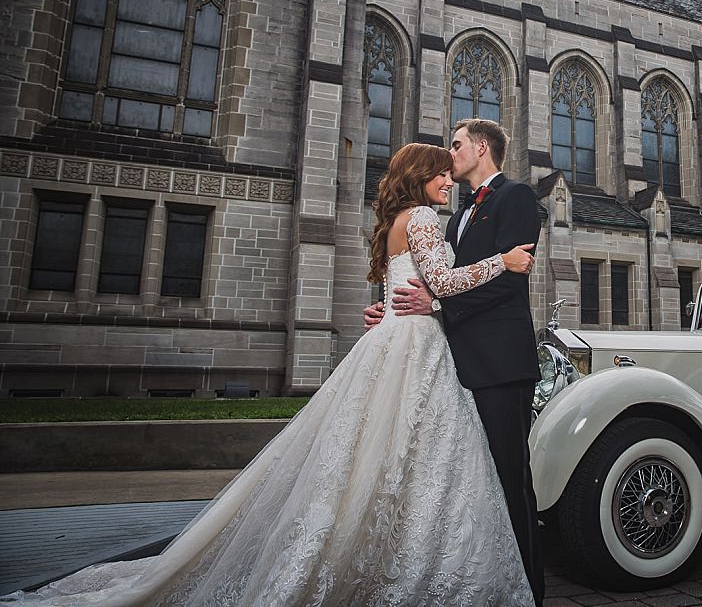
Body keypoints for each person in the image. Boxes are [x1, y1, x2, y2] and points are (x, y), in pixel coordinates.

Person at [5, 143, 536, 606]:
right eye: (440, 172)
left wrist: (393, 310)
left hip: (399, 340)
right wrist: (503, 261)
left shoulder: (400, 221)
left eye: (452, 166)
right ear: (420, 176)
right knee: (409, 454)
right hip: (415, 348)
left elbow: (412, 290)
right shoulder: (422, 218)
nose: (448, 179)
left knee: (379, 453)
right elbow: (440, 279)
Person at [365, 118, 545, 605]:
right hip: (453, 362)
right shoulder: (456, 214)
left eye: (458, 144)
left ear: (482, 147)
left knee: (510, 477)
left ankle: (527, 586)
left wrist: (436, 304)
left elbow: (511, 279)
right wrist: (396, 309)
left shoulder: (517, 198)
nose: (451, 154)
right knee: (467, 480)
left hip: (500, 363)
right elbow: (438, 278)